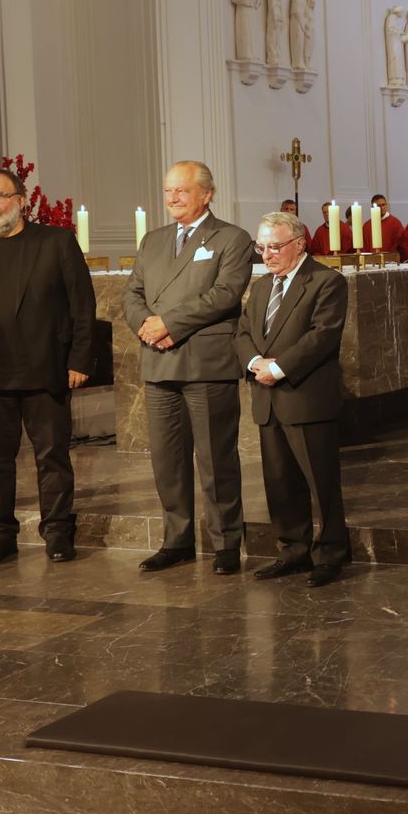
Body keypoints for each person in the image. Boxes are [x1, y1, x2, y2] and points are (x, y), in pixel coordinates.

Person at [0, 166, 96, 566]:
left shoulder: (56, 242)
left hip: (46, 369)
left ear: (21, 201)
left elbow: (83, 307)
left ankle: (58, 532)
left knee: (53, 458)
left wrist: (79, 359)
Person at [122, 161, 256, 576]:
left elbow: (224, 294)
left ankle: (226, 543)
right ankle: (176, 541)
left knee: (215, 459)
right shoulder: (153, 240)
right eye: (168, 191)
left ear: (206, 194)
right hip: (159, 361)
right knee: (167, 461)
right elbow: (133, 292)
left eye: (182, 190)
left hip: (206, 363)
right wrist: (147, 326)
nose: (173, 198)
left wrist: (169, 324)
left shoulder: (232, 238)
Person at [237, 211, 351, 588]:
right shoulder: (261, 287)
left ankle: (332, 553)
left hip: (304, 397)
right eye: (261, 247)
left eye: (274, 247)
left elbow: (322, 336)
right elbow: (242, 333)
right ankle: (292, 550)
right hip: (267, 399)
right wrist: (255, 362)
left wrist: (279, 367)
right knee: (280, 482)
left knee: (320, 483)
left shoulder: (325, 282)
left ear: (299, 244)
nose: (266, 255)